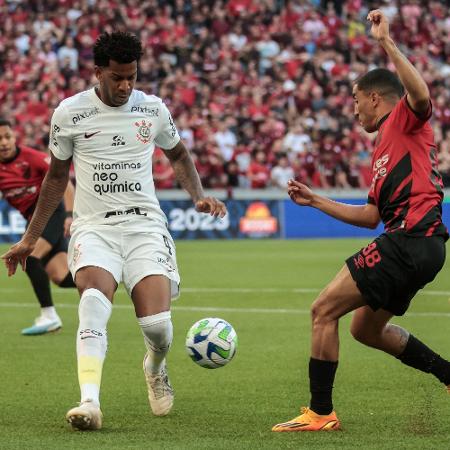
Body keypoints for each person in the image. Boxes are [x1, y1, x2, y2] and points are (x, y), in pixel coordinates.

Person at [2, 31, 226, 431]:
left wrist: (198, 196)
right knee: (92, 299)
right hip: (94, 228)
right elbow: (55, 179)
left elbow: (179, 155)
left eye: (132, 78)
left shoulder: (153, 109)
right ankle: (90, 401)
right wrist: (30, 239)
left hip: (144, 225)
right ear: (98, 72)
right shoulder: (69, 113)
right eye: (117, 78)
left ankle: (154, 367)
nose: (125, 86)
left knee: (157, 328)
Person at [272, 10, 450, 432]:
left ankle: (320, 412)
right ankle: (447, 373)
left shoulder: (405, 120)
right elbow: (371, 215)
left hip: (410, 239)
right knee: (365, 329)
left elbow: (422, 94)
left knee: (322, 310)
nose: (353, 111)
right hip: (422, 247)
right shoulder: (383, 150)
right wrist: (317, 201)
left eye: (355, 100)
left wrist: (386, 43)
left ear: (374, 97)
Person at [0, 118, 76, 335]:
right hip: (33, 222)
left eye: (7, 137)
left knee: (29, 256)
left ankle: (49, 315)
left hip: (52, 213)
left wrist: (70, 215)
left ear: (14, 137)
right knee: (62, 278)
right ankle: (114, 277)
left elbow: (65, 183)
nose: (4, 143)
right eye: (0, 139)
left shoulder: (32, 158)